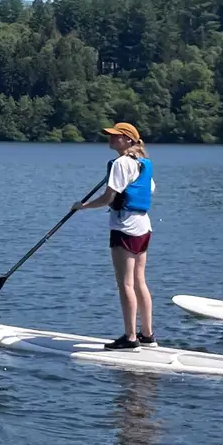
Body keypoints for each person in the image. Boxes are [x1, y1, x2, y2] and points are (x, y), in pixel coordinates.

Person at [75, 121, 155, 350]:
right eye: (110, 135)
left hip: (124, 227)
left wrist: (83, 206)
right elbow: (150, 189)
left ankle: (130, 338)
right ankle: (147, 335)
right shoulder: (143, 163)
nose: (111, 139)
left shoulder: (121, 163)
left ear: (129, 139)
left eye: (116, 136)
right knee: (139, 281)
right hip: (143, 226)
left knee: (125, 284)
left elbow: (108, 198)